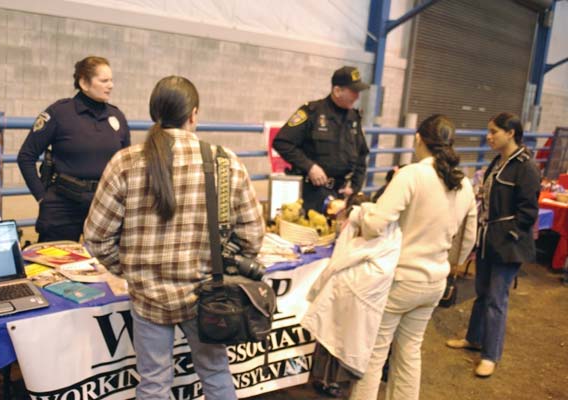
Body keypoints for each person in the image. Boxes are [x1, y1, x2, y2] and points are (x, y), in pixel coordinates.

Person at [83, 76, 264, 399]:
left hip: (148, 296)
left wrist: (130, 269)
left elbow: (96, 238)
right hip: (208, 297)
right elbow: (252, 237)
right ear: (193, 114)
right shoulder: (225, 163)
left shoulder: (125, 162)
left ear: (155, 112)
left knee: (153, 383)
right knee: (216, 373)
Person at [349, 114, 478, 400]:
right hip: (434, 282)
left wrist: (363, 213)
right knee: (409, 352)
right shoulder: (464, 184)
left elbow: (375, 226)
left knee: (374, 354)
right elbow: (468, 238)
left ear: (418, 139)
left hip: (400, 281)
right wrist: (452, 263)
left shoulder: (411, 175)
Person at [446, 112, 540, 377]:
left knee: (497, 299)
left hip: (507, 245)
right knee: (483, 293)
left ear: (510, 133)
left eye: (493, 132)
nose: (488, 137)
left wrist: (508, 234)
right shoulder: (498, 162)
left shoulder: (525, 166)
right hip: (488, 241)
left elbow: (528, 211)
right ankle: (474, 338)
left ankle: (491, 355)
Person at [17, 56, 130, 242]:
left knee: (102, 267)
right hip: (62, 205)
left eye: (111, 80)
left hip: (104, 204)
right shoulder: (59, 113)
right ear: (84, 83)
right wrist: (41, 197)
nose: (111, 85)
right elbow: (26, 156)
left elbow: (126, 164)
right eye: (104, 80)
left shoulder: (117, 117)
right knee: (54, 264)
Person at [272, 66, 370, 214]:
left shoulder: (353, 118)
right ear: (337, 91)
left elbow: (362, 155)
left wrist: (355, 188)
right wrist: (310, 167)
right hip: (312, 195)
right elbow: (282, 142)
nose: (357, 96)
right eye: (353, 92)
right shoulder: (312, 113)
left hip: (341, 196)